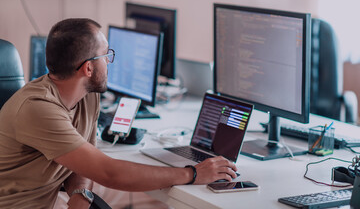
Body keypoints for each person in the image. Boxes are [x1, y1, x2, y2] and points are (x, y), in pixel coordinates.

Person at [0, 18, 237, 209]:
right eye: (106, 55)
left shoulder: (87, 95)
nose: (110, 62)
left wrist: (80, 196)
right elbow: (109, 173)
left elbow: (85, 165)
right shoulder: (37, 108)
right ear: (88, 68)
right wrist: (193, 173)